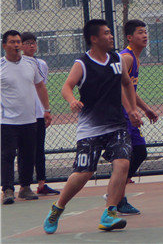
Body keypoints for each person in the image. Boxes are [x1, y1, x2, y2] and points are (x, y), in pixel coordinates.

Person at [43, 19, 142, 234]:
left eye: (110, 32)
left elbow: (126, 84)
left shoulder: (117, 60)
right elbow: (67, 86)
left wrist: (133, 110)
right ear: (94, 38)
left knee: (123, 163)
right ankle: (58, 208)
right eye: (106, 33)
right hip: (90, 128)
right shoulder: (82, 64)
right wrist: (72, 100)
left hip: (116, 125)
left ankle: (109, 213)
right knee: (84, 173)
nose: (111, 36)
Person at [1, 30, 52, 205]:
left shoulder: (31, 64)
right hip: (7, 121)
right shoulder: (1, 65)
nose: (16, 45)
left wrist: (47, 109)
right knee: (7, 155)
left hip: (29, 119)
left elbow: (40, 87)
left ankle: (25, 187)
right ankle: (8, 189)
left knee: (28, 154)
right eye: (12, 42)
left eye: (18, 42)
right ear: (4, 45)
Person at [116, 20, 159, 214]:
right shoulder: (126, 58)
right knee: (127, 155)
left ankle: (116, 193)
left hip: (127, 113)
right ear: (129, 37)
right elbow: (117, 86)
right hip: (119, 114)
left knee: (139, 152)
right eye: (140, 32)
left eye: (145, 32)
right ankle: (118, 198)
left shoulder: (135, 58)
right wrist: (130, 110)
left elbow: (130, 89)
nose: (145, 35)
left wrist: (145, 108)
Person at [19, 33, 59, 196]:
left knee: (39, 149)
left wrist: (45, 110)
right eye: (28, 43)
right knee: (25, 151)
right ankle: (24, 185)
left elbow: (42, 87)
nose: (32, 46)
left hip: (39, 113)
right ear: (21, 46)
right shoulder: (19, 64)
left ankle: (42, 184)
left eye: (34, 43)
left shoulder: (41, 64)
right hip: (24, 114)